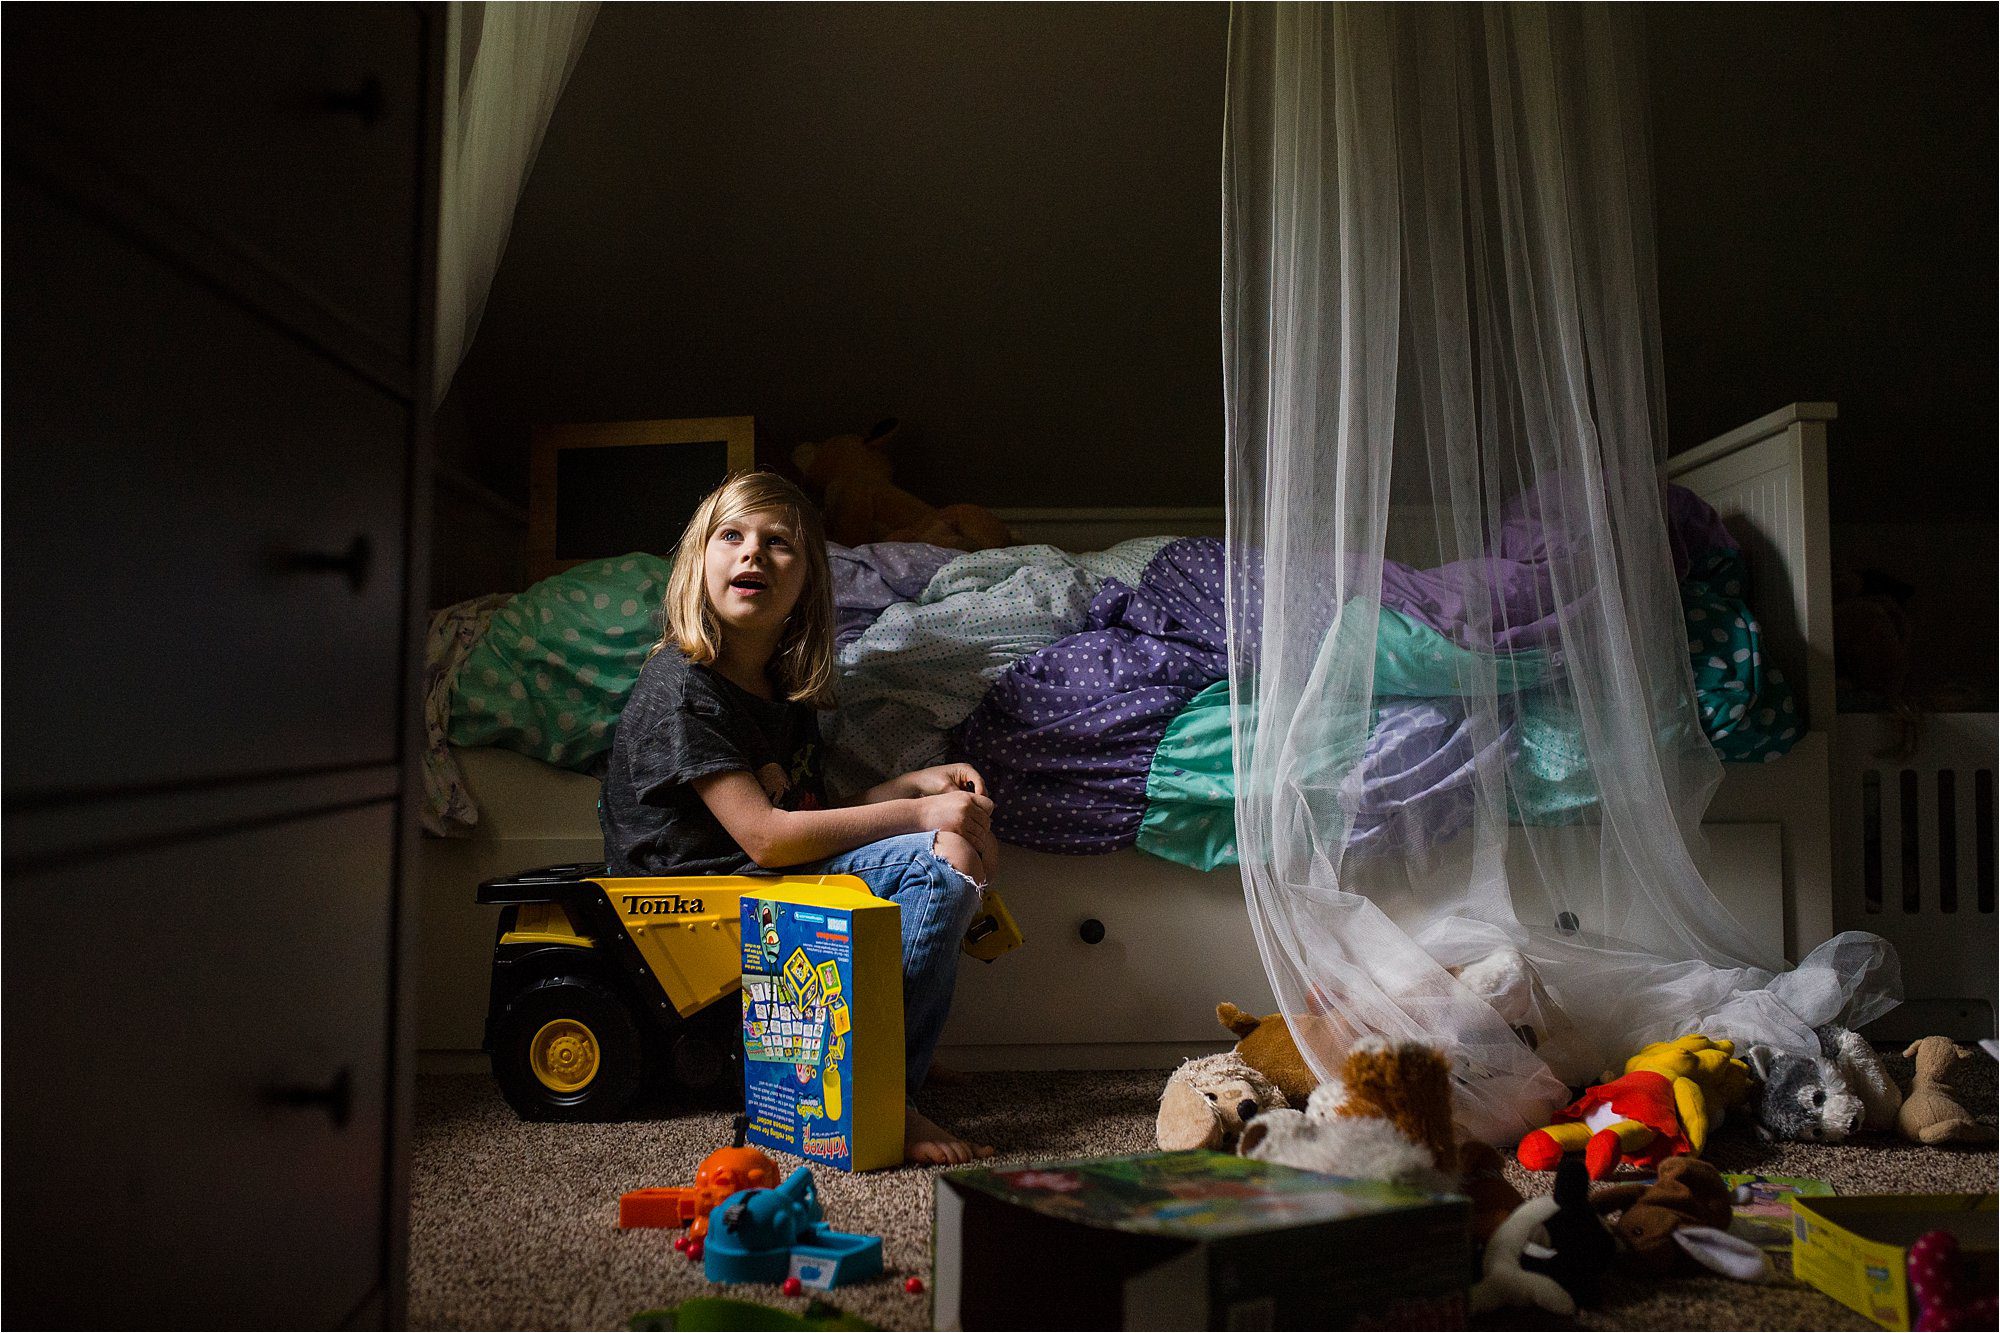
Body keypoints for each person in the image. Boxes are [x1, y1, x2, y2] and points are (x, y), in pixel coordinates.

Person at [601, 471, 997, 1164]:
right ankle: (881, 1086)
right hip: (702, 900)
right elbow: (765, 836)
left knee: (947, 841)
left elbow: (805, 817)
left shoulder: (781, 693)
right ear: (698, 564)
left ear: (807, 581)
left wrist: (902, 787)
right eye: (732, 536)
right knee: (940, 861)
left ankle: (899, 1050)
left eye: (777, 543)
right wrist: (919, 813)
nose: (752, 553)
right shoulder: (682, 687)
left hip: (762, 874)